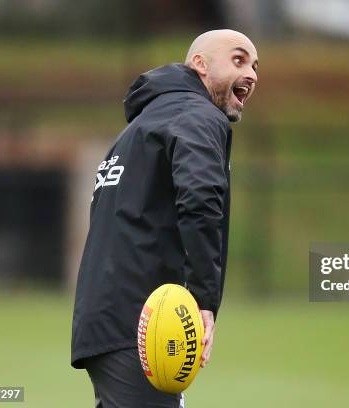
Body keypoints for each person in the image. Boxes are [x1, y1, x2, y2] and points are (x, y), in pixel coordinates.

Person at [70, 29, 258, 408]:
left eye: (255, 66)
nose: (252, 73)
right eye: (239, 60)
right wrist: (203, 299)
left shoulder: (136, 130)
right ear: (200, 66)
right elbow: (201, 198)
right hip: (146, 325)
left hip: (108, 321)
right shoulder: (197, 115)